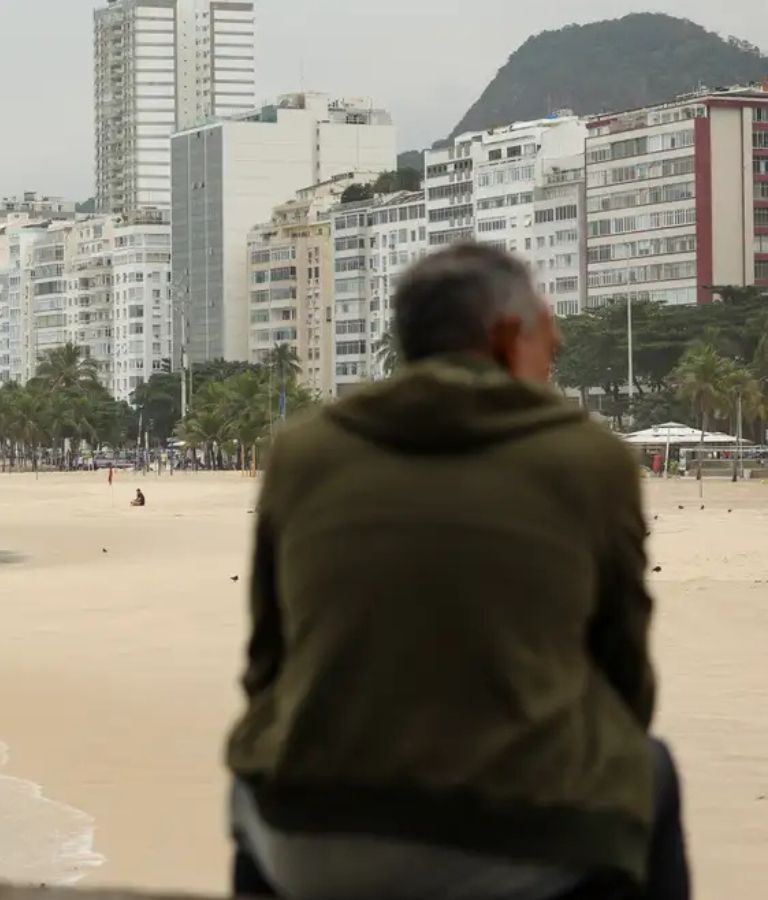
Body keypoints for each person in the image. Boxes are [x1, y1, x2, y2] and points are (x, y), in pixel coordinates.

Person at [227, 243, 688, 900]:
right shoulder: (590, 458)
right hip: (527, 844)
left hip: (314, 839)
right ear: (504, 338)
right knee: (653, 769)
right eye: (547, 351)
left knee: (259, 772)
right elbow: (626, 682)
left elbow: (265, 666)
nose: (549, 371)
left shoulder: (302, 451)